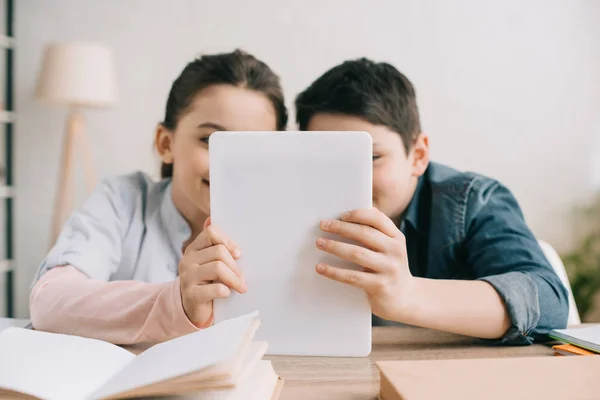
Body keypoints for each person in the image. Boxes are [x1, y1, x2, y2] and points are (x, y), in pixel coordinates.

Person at [295, 58, 568, 344]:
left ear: (418, 155)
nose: (348, 179)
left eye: (371, 158)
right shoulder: (288, 206)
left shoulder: (472, 202)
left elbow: (548, 300)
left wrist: (408, 294)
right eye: (325, 159)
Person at [29, 49, 288, 344]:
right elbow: (49, 300)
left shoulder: (289, 226)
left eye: (252, 148)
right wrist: (176, 300)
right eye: (209, 140)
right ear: (166, 143)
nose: (231, 167)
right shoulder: (124, 201)